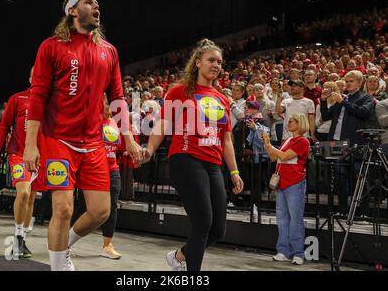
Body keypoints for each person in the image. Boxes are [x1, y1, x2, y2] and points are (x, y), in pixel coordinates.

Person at [23, 0, 142, 271]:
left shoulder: (108, 51)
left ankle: (64, 247)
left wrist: (129, 140)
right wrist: (31, 144)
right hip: (57, 139)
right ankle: (58, 266)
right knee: (63, 209)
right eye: (90, 3)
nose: (97, 7)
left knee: (101, 211)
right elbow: (37, 97)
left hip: (92, 143)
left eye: (98, 3)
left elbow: (117, 99)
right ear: (73, 11)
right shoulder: (51, 47)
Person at [144, 39, 244, 271]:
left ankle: (180, 256)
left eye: (219, 61)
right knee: (203, 222)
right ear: (197, 63)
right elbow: (162, 125)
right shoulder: (179, 91)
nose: (216, 65)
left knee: (218, 229)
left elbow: (226, 139)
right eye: (211, 60)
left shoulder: (221, 98)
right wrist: (149, 149)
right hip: (186, 159)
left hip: (213, 164)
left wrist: (234, 171)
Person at [0, 69, 46, 258]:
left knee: (31, 198)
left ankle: (21, 238)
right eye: (34, 74)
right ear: (30, 78)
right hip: (18, 154)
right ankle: (18, 236)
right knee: (23, 193)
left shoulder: (50, 100)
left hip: (40, 157)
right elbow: (4, 125)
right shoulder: (18, 98)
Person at [70, 98, 123, 259]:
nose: (110, 107)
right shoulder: (92, 121)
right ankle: (66, 240)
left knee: (112, 205)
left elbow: (119, 147)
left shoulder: (115, 123)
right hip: (92, 168)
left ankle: (107, 246)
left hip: (112, 168)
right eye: (108, 104)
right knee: (84, 206)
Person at [320, 70, 373, 215]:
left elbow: (363, 113)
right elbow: (325, 116)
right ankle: (342, 210)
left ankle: (364, 212)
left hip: (355, 143)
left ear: (360, 83)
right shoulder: (341, 98)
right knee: (339, 178)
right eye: (347, 81)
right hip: (336, 143)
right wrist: (324, 100)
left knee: (360, 178)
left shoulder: (365, 97)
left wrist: (343, 102)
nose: (348, 83)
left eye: (351, 81)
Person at [262, 113, 310, 265]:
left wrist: (270, 146)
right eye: (288, 121)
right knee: (282, 219)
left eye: (291, 121)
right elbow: (273, 157)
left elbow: (283, 156)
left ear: (299, 123)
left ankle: (298, 253)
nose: (288, 123)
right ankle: (283, 251)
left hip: (295, 183)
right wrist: (267, 143)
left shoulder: (303, 141)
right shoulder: (288, 140)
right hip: (282, 183)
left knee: (295, 219)